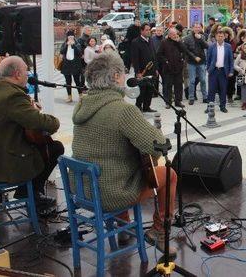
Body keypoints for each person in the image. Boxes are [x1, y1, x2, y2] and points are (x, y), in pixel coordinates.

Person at [71, 52, 176, 257]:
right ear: (117, 76)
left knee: (116, 168)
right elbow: (157, 145)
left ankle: (124, 228)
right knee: (169, 175)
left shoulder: (82, 105)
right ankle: (159, 232)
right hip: (110, 193)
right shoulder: (122, 110)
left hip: (83, 190)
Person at [0, 56, 62, 208]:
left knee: (41, 147)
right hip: (6, 165)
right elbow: (40, 122)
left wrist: (29, 110)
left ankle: (29, 193)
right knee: (55, 147)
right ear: (17, 74)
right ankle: (30, 194)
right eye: (25, 72)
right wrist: (54, 121)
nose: (27, 75)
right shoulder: (13, 95)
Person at [157, 28, 189, 109]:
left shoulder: (178, 41)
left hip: (178, 67)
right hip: (168, 68)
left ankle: (178, 101)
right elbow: (159, 54)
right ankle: (168, 102)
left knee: (178, 85)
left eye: (176, 34)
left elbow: (185, 50)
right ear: (170, 34)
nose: (175, 36)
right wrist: (166, 61)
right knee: (168, 86)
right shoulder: (164, 42)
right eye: (174, 34)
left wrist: (179, 42)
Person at [130, 23, 157, 113]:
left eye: (149, 30)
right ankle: (138, 107)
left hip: (151, 70)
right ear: (141, 31)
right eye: (146, 30)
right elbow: (135, 59)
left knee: (150, 90)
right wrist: (137, 72)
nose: (148, 31)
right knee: (141, 90)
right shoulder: (135, 42)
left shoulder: (151, 40)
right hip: (142, 71)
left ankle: (146, 107)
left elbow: (154, 55)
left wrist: (155, 69)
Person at [206, 30, 234, 113]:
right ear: (216, 37)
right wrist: (208, 69)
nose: (220, 37)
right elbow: (208, 59)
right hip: (214, 70)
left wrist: (231, 71)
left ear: (224, 37)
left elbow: (231, 60)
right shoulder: (211, 46)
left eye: (222, 36)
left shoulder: (228, 46)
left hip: (223, 71)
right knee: (211, 90)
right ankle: (209, 106)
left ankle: (222, 106)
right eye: (218, 36)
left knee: (223, 89)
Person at [183, 22, 208, 105]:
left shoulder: (203, 36)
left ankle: (205, 97)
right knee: (192, 81)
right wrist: (194, 57)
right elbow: (186, 51)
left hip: (201, 62)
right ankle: (191, 97)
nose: (197, 29)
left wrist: (200, 38)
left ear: (201, 28)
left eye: (199, 27)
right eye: (195, 27)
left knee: (203, 80)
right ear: (192, 28)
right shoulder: (187, 38)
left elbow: (206, 46)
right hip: (191, 62)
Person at [60, 34, 84, 103]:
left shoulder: (77, 44)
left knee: (77, 81)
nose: (70, 38)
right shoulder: (64, 44)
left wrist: (73, 45)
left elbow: (79, 53)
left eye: (72, 37)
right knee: (68, 82)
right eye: (69, 37)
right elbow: (61, 52)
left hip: (75, 65)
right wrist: (67, 45)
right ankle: (69, 96)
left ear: (74, 37)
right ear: (67, 37)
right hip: (66, 65)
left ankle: (81, 95)